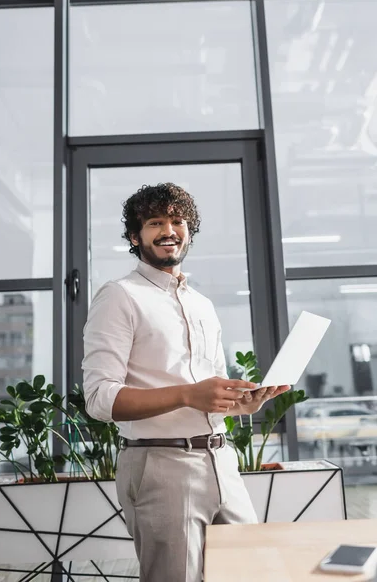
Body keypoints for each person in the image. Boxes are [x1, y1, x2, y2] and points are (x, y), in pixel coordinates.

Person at [82, 183, 290, 582]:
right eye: (155, 222)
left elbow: (209, 390)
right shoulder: (119, 296)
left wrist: (242, 402)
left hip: (221, 460)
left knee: (251, 572)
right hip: (161, 465)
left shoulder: (202, 304)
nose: (168, 230)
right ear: (134, 236)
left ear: (189, 231)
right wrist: (188, 395)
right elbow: (99, 399)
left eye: (177, 221)